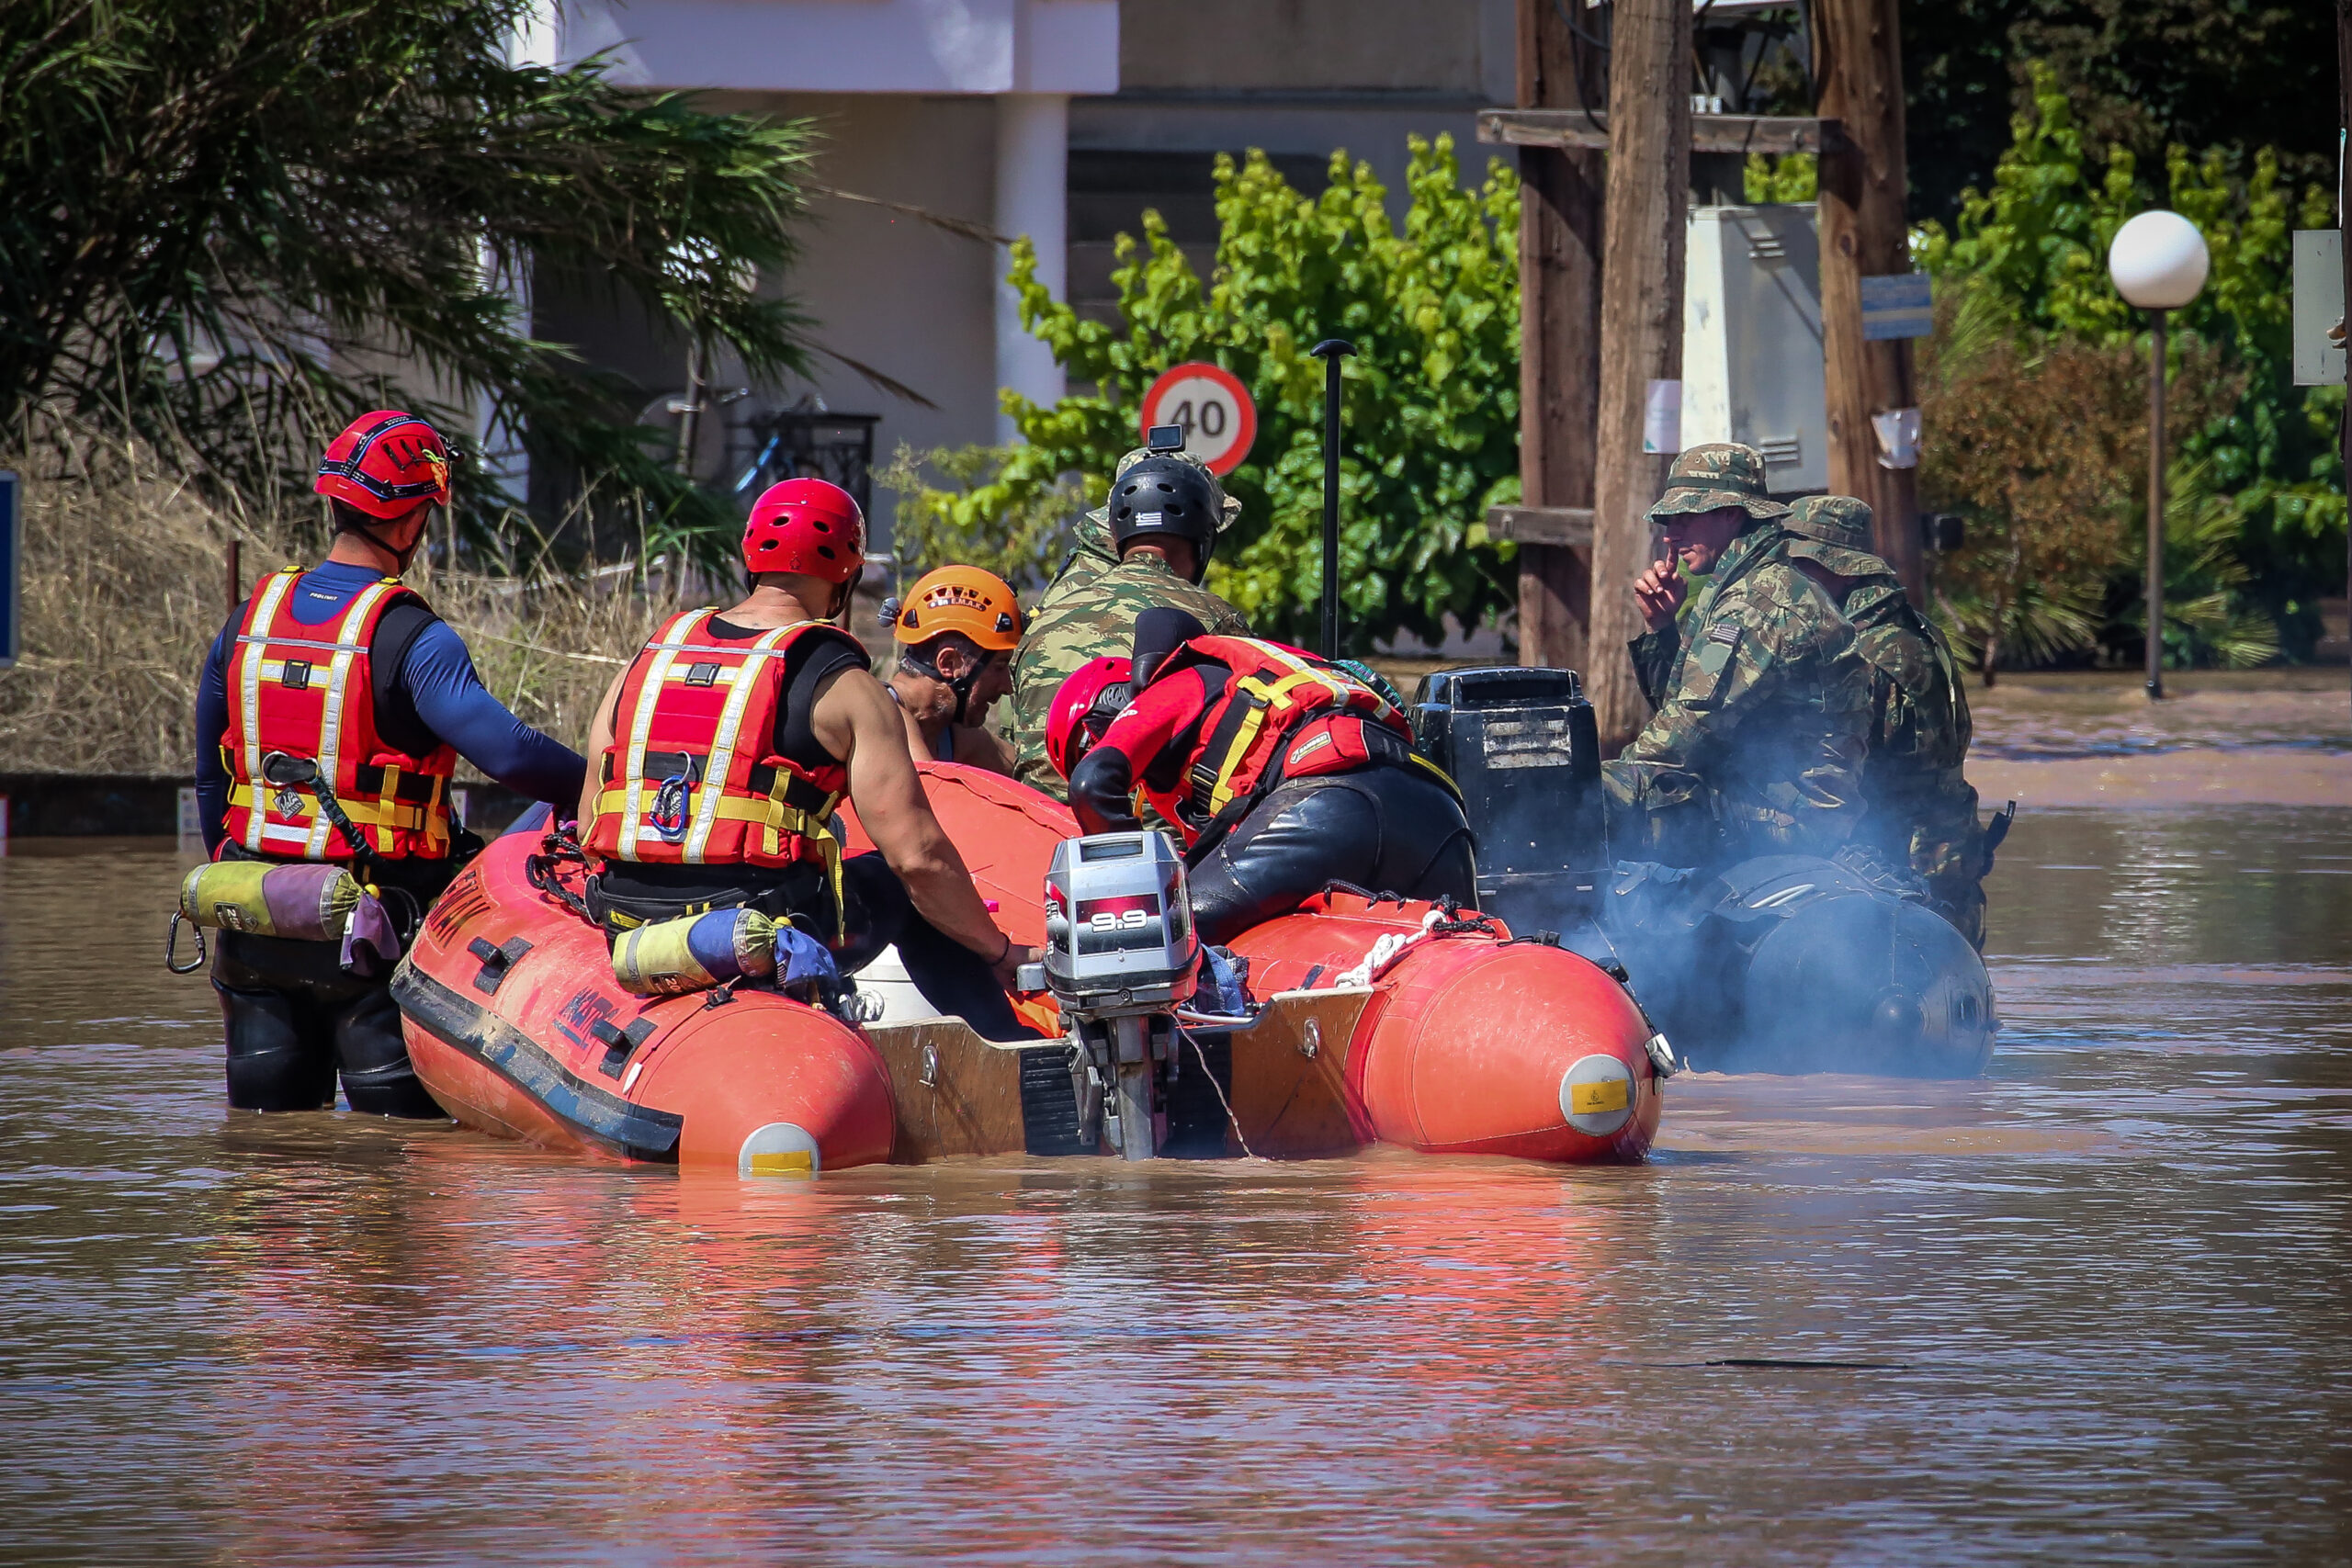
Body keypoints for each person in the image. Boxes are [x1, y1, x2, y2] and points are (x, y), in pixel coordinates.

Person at [194, 411, 587, 1117]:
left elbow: (207, 771)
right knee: (399, 1166)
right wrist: (601, 786)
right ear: (409, 525)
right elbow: (510, 752)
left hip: (253, 919)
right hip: (376, 932)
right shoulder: (413, 637)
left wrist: (238, 865)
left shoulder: (248, 619)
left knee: (266, 1159)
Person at [576, 478, 1040, 1040]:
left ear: (751, 559)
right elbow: (917, 855)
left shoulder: (647, 661)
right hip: (761, 926)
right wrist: (999, 951)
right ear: (847, 575)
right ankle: (1011, 1051)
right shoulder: (845, 686)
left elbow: (590, 816)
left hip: (627, 923)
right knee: (900, 887)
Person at [1051, 609, 1478, 945]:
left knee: (1163, 930)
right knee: (1473, 945)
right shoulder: (1247, 681)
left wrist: (1130, 894)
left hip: (1332, 801)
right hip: (1435, 814)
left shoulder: (1175, 684)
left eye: (1084, 746)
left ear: (1108, 710)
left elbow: (1091, 786)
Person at [1605, 443, 1872, 869]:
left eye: (1686, 518)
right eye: (1668, 522)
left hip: (1796, 819)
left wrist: (1591, 790)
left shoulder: (1760, 602)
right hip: (1757, 796)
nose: (1671, 535)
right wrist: (1662, 628)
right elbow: (1682, 709)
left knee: (1605, 804)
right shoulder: (1738, 587)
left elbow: (1682, 735)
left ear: (1731, 514)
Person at [1780, 493, 1996, 945]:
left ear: (1835, 568)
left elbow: (1835, 772)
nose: (1792, 581)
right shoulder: (1917, 630)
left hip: (1899, 886)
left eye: (1801, 567)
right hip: (1949, 874)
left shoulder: (1862, 653)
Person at [1008, 446, 1250, 797]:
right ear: (1203, 539)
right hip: (1165, 842)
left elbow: (1013, 738)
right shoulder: (1216, 618)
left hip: (1044, 832)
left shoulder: (1047, 617)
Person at [880, 565, 1023, 774]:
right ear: (949, 663)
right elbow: (926, 795)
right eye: (999, 667)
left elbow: (1028, 776)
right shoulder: (881, 716)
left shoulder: (950, 734)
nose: (1008, 687)